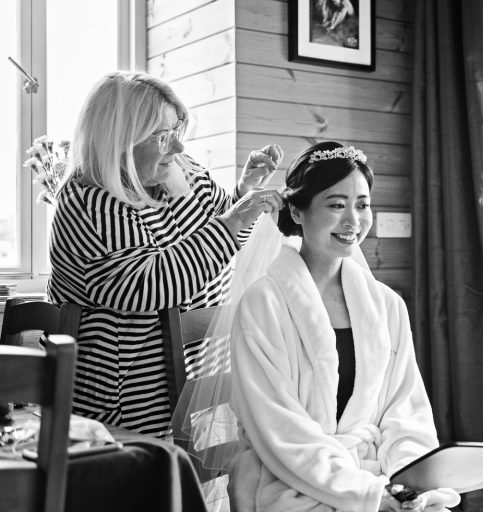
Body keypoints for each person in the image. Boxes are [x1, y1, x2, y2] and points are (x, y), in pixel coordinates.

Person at [223, 142, 461, 511]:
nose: (353, 221)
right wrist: (368, 496)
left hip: (376, 474)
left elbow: (406, 411)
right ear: (298, 212)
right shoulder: (263, 305)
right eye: (336, 205)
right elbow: (279, 431)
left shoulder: (387, 305)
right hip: (286, 478)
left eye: (362, 205)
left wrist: (409, 482)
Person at [46, 70, 284, 437]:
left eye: (176, 132)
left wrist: (243, 192)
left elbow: (222, 225)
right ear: (118, 141)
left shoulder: (179, 172)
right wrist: (234, 219)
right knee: (148, 488)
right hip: (124, 406)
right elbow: (151, 285)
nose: (178, 148)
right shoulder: (89, 201)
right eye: (161, 136)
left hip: (195, 379)